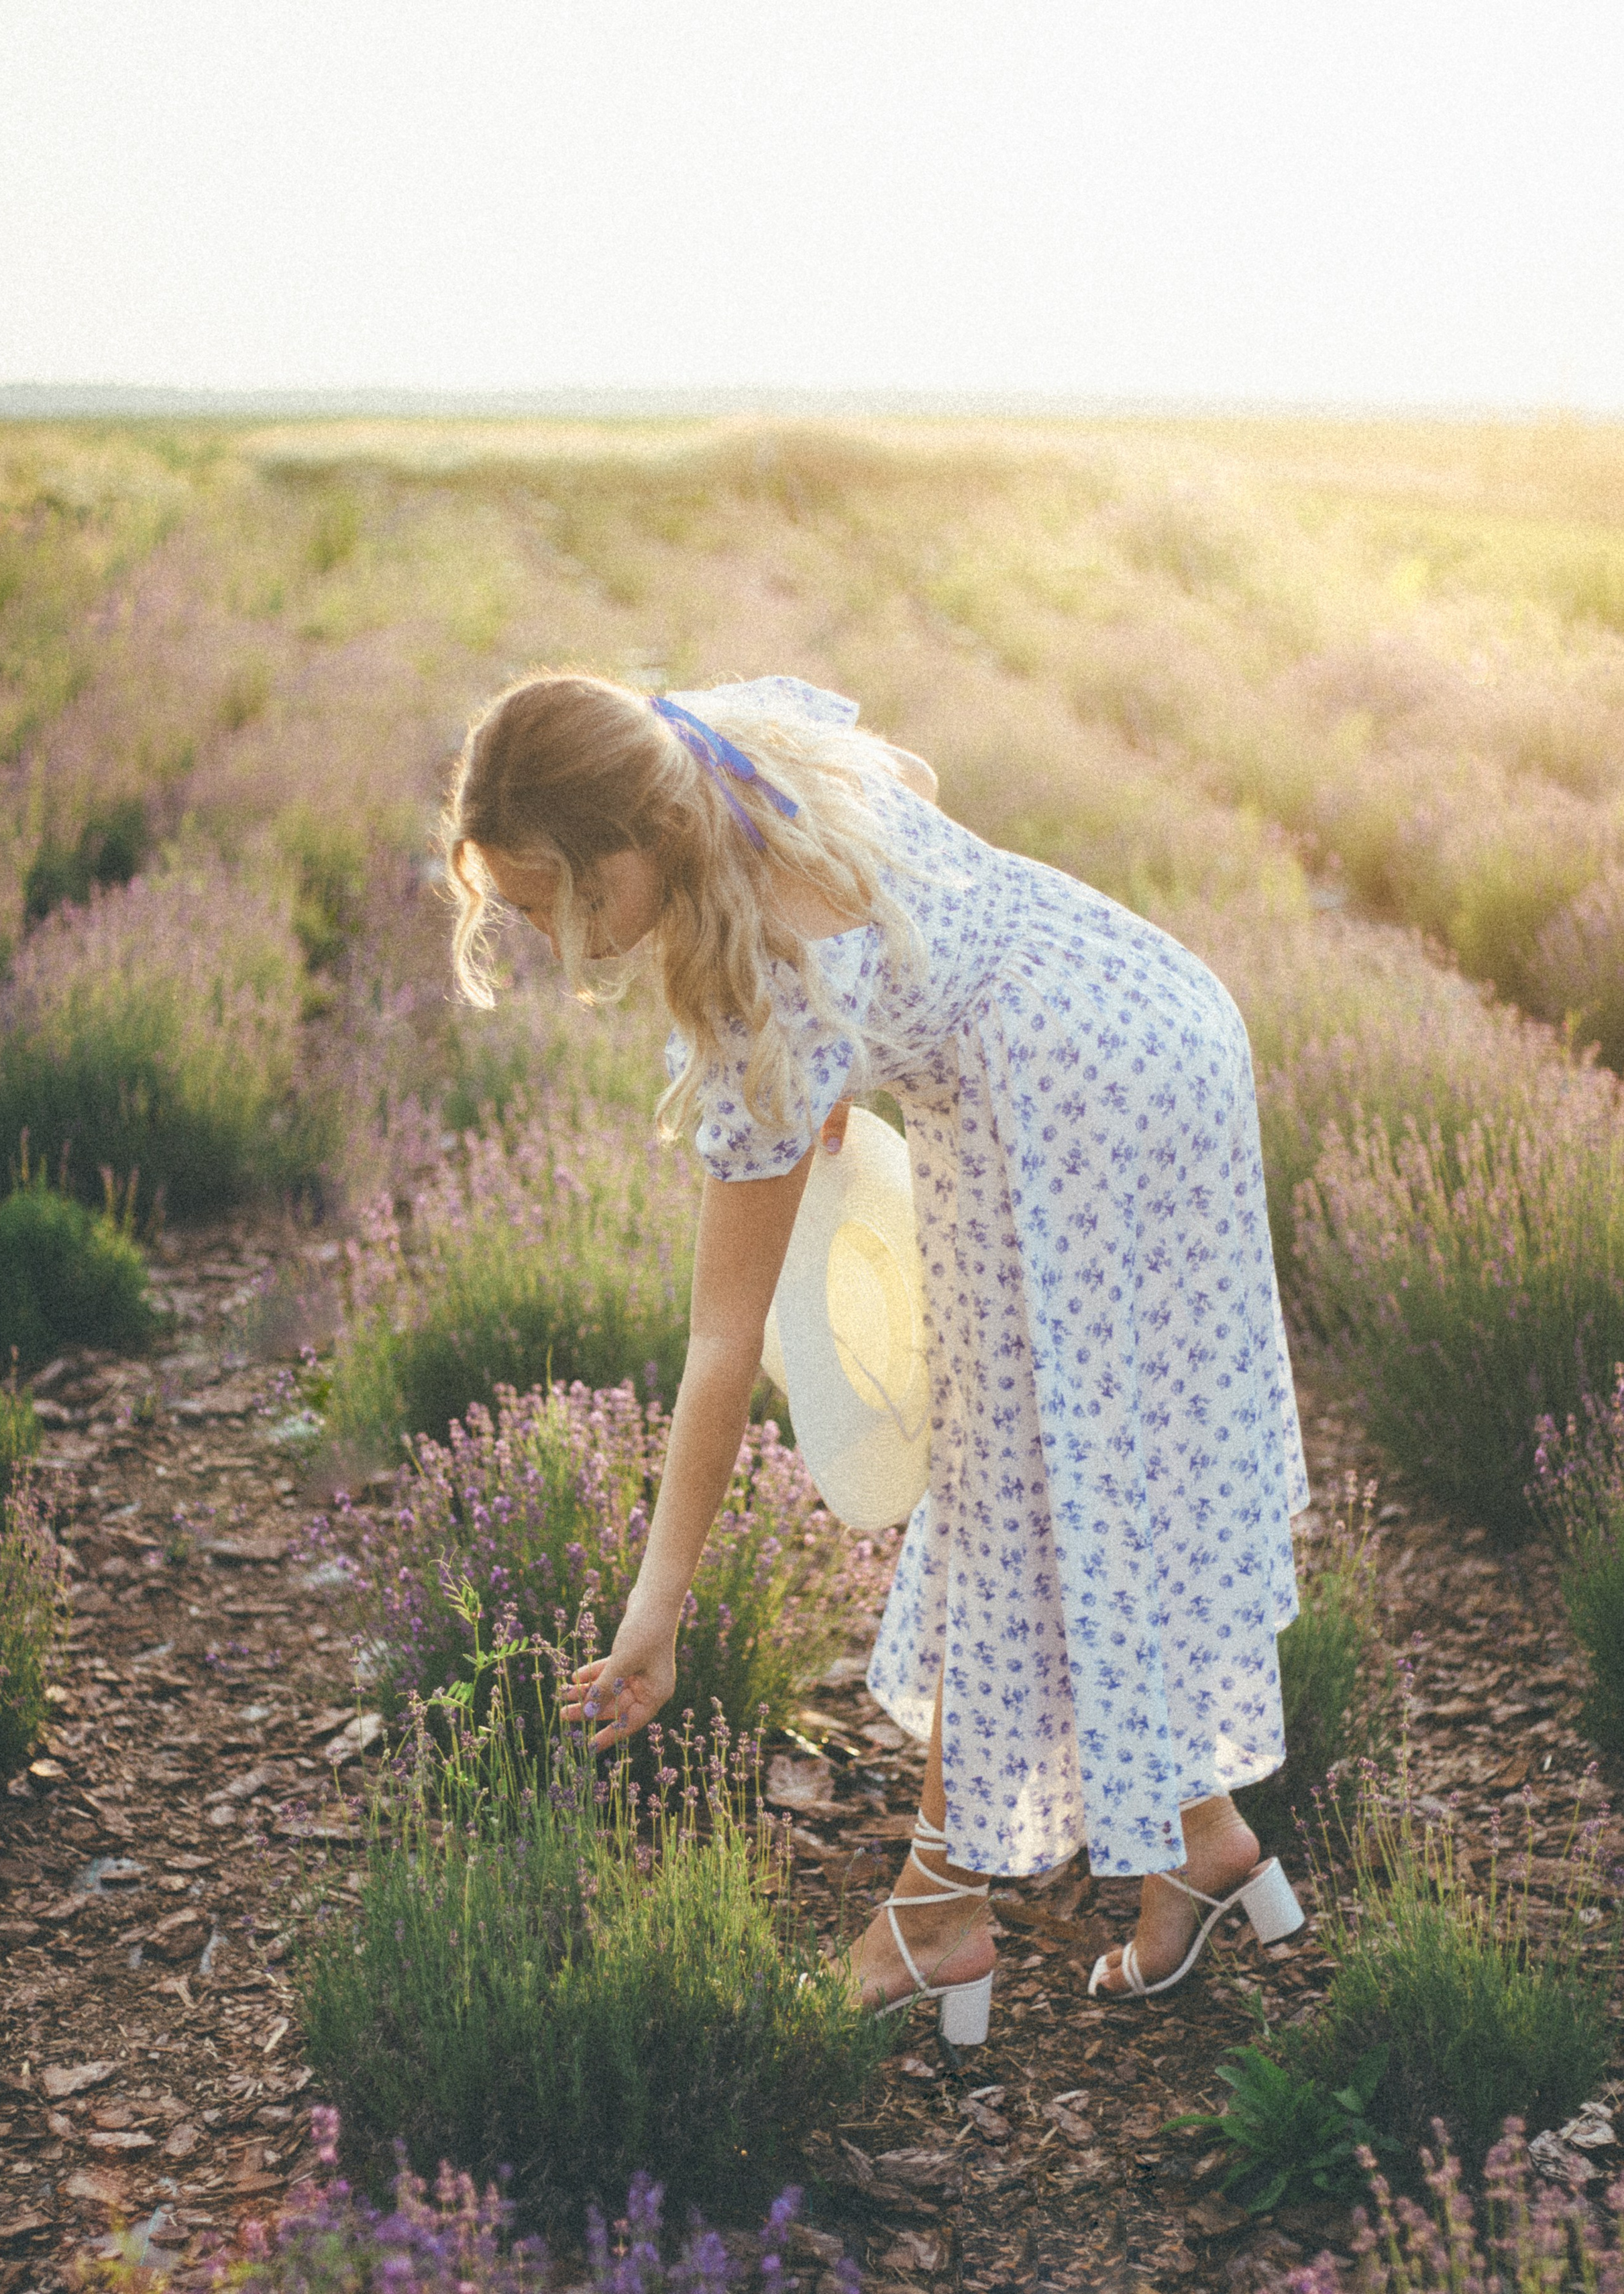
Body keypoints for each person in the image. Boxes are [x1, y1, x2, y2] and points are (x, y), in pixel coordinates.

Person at [443, 671, 1309, 2028]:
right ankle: (1197, 1842)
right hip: (1148, 1010)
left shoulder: (765, 1004)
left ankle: (937, 1912)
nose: (540, 929)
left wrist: (651, 1615)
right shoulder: (725, 740)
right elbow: (904, 796)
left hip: (1061, 1114)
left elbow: (719, 1347)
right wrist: (876, 1036)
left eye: (548, 895)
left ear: (626, 848)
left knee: (1011, 1499)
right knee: (1092, 1469)